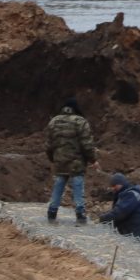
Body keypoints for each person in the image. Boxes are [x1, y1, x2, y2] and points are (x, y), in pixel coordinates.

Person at [44, 96, 97, 224]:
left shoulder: (54, 122)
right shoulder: (81, 122)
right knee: (78, 185)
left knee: (59, 183)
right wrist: (93, 159)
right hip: (76, 162)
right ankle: (80, 212)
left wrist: (52, 158)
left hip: (60, 161)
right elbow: (87, 144)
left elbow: (48, 144)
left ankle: (52, 210)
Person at [100, 171, 140, 243]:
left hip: (138, 238)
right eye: (112, 186)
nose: (113, 188)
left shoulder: (131, 195)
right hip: (132, 236)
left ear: (121, 184)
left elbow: (119, 213)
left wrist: (103, 219)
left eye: (115, 185)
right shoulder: (124, 195)